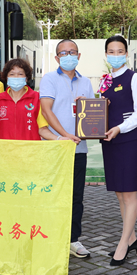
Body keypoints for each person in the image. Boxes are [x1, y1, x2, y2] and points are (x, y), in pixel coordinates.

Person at [39, 40, 95, 259]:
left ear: (79, 56)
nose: (68, 56)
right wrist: (64, 135)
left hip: (78, 148)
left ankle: (73, 239)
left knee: (76, 197)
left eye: (72, 52)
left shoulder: (86, 82)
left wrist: (88, 106)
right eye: (63, 53)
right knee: (52, 193)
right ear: (56, 58)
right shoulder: (49, 79)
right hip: (55, 147)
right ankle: (50, 238)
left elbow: (93, 117)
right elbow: (46, 110)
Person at [100, 35, 137, 266]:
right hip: (110, 142)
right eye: (111, 51)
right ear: (106, 54)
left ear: (126, 54)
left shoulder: (134, 78)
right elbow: (101, 110)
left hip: (128, 141)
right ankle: (132, 238)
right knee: (120, 193)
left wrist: (119, 128)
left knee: (129, 195)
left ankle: (123, 244)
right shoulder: (105, 81)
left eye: (120, 51)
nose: (115, 55)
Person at [0, 58, 54, 141]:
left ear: (26, 78)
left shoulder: (37, 98)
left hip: (30, 148)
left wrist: (58, 138)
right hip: (6, 148)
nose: (16, 77)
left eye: (20, 74)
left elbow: (42, 129)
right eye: (12, 74)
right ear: (7, 78)